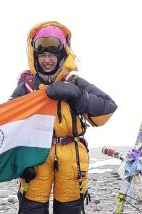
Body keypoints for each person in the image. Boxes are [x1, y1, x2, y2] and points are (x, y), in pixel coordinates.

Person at [10, 21, 117, 213]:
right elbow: (8, 124)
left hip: (71, 155)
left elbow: (107, 108)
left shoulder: (74, 83)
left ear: (62, 56)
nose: (47, 60)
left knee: (70, 209)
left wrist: (77, 95)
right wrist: (20, 161)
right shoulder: (26, 87)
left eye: (52, 55)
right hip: (35, 157)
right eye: (42, 55)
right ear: (34, 57)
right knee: (31, 209)